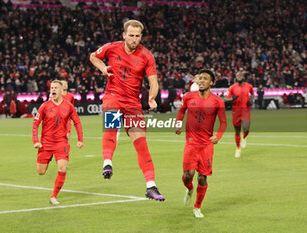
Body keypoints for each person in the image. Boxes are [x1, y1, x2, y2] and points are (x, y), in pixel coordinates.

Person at [89, 19, 165, 201]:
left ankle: (151, 186)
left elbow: (153, 81)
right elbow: (93, 56)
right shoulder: (112, 47)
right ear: (124, 35)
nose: (134, 39)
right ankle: (107, 163)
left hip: (133, 104)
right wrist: (103, 68)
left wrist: (152, 97)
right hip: (113, 96)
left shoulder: (147, 56)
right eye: (131, 35)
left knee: (141, 144)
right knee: (111, 127)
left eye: (137, 36)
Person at [175, 69, 227, 218]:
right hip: (191, 142)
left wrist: (218, 136)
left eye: (205, 79)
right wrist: (178, 124)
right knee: (188, 175)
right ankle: (190, 189)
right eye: (200, 78)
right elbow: (181, 112)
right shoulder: (188, 97)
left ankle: (197, 207)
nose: (202, 81)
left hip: (206, 144)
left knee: (202, 178)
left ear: (211, 83)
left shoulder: (217, 101)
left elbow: (223, 123)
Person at [32, 80, 83, 205]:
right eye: (51, 88)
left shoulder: (68, 106)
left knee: (62, 168)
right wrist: (36, 141)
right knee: (41, 171)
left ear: (61, 90)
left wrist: (80, 139)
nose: (53, 90)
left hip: (61, 142)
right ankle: (46, 159)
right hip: (46, 143)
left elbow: (77, 122)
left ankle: (53, 196)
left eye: (55, 88)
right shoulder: (45, 106)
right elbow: (35, 124)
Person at [224, 72, 254, 158]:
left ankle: (244, 138)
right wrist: (232, 99)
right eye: (237, 76)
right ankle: (238, 148)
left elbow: (252, 94)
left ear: (244, 77)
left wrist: (251, 101)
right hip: (236, 111)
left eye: (240, 75)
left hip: (245, 110)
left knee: (246, 129)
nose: (239, 77)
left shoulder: (249, 86)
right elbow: (225, 98)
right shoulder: (232, 87)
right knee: (237, 131)